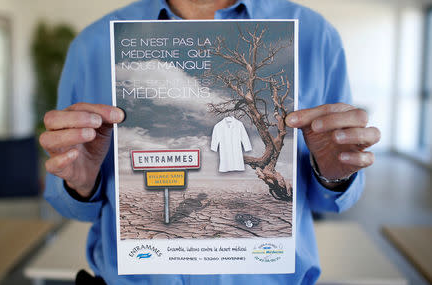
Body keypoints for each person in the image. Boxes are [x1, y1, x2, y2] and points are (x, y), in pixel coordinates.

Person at [39, 0, 381, 284]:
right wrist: (80, 184)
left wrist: (334, 174)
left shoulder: (315, 36)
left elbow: (332, 202)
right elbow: (70, 205)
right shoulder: (93, 45)